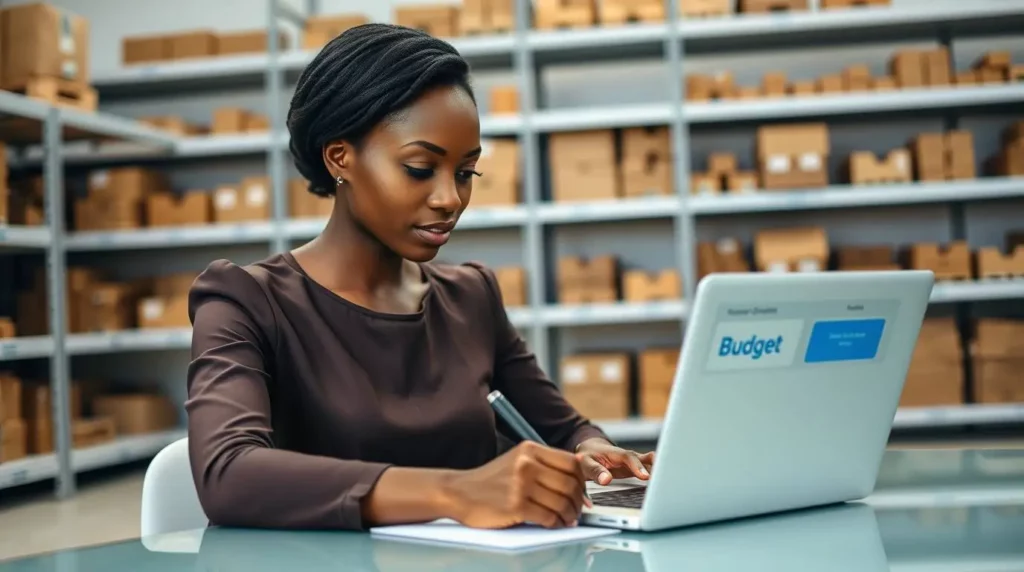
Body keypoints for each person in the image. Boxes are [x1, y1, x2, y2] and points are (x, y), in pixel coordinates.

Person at [187, 23, 654, 531]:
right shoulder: (245, 302)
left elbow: (562, 428)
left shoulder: (471, 296)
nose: (450, 199)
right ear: (340, 157)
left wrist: (594, 454)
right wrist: (454, 492)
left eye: (465, 173)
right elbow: (227, 474)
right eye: (418, 168)